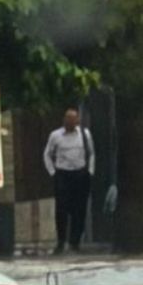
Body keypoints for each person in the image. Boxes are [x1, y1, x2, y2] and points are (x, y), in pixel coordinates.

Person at [42, 108, 94, 255]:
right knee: (61, 209)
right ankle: (61, 241)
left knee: (80, 209)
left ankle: (75, 242)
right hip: (62, 174)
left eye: (73, 119)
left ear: (77, 120)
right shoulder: (55, 135)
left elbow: (91, 153)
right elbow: (47, 154)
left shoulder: (85, 134)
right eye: (67, 118)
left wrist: (90, 171)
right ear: (64, 120)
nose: (70, 122)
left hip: (80, 174)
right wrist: (53, 172)